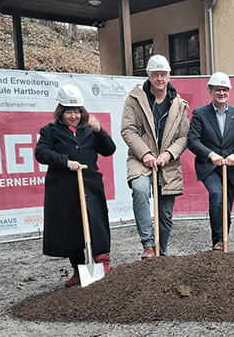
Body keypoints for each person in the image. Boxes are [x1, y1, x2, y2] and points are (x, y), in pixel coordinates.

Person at [36, 84, 116, 286]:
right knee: (70, 226)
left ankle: (102, 261)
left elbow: (109, 150)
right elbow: (41, 153)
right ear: (61, 112)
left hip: (90, 184)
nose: (73, 116)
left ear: (82, 112)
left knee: (96, 221)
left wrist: (99, 131)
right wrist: (65, 161)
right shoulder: (49, 131)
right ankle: (79, 269)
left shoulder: (90, 130)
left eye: (77, 112)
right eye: (68, 112)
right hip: (63, 187)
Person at [121, 54, 189, 259]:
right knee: (140, 189)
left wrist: (169, 154)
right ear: (149, 76)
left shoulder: (179, 104)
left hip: (168, 162)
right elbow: (128, 130)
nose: (160, 78)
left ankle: (162, 252)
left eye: (163, 74)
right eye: (155, 74)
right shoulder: (135, 99)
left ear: (169, 76)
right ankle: (148, 245)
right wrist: (145, 154)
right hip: (140, 159)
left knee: (165, 213)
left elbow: (184, 136)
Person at [187, 72, 234, 250]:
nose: (221, 93)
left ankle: (223, 240)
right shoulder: (200, 114)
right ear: (210, 91)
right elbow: (193, 141)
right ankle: (218, 241)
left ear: (229, 91)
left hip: (231, 168)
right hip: (209, 167)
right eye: (218, 89)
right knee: (217, 195)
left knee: (226, 207)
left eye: (225, 90)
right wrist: (210, 154)